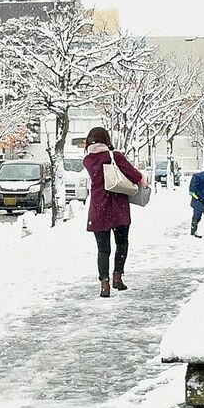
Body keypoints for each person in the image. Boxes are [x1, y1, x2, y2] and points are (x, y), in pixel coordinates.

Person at [82, 126, 148, 298]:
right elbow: (133, 175)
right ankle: (117, 277)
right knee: (122, 243)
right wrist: (142, 178)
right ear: (107, 139)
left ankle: (104, 284)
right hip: (118, 208)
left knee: (103, 250)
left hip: (98, 209)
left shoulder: (88, 160)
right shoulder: (115, 156)